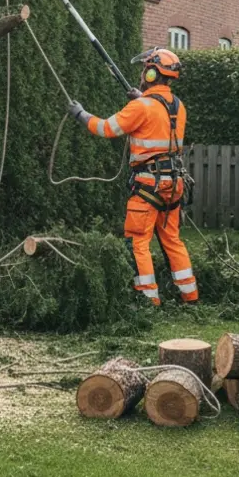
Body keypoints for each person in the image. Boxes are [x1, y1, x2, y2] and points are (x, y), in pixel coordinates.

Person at [67, 47, 197, 305]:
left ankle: (148, 300)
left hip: (148, 184)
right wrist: (141, 98)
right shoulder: (178, 107)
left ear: (151, 74)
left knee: (138, 241)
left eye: (145, 69)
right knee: (172, 239)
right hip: (174, 184)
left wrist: (80, 114)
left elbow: (105, 128)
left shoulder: (141, 107)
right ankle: (190, 296)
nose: (142, 73)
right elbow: (156, 115)